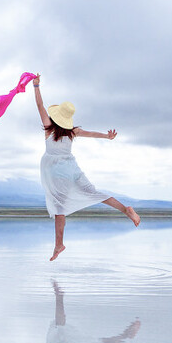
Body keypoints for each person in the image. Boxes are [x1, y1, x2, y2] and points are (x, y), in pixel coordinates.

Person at [31, 74, 140, 260]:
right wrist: (107, 137)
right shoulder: (73, 132)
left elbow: (40, 106)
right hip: (72, 168)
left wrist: (36, 86)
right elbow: (90, 133)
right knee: (93, 192)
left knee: (59, 207)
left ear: (56, 115)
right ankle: (126, 209)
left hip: (57, 172)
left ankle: (59, 244)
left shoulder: (49, 128)